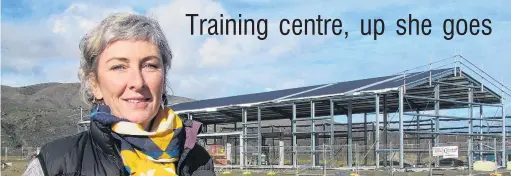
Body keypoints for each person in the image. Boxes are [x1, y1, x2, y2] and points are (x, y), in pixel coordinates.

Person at [23, 13, 215, 176]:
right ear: (95, 84)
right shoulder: (54, 164)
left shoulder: (198, 160)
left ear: (163, 79)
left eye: (150, 65)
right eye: (119, 67)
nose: (138, 82)